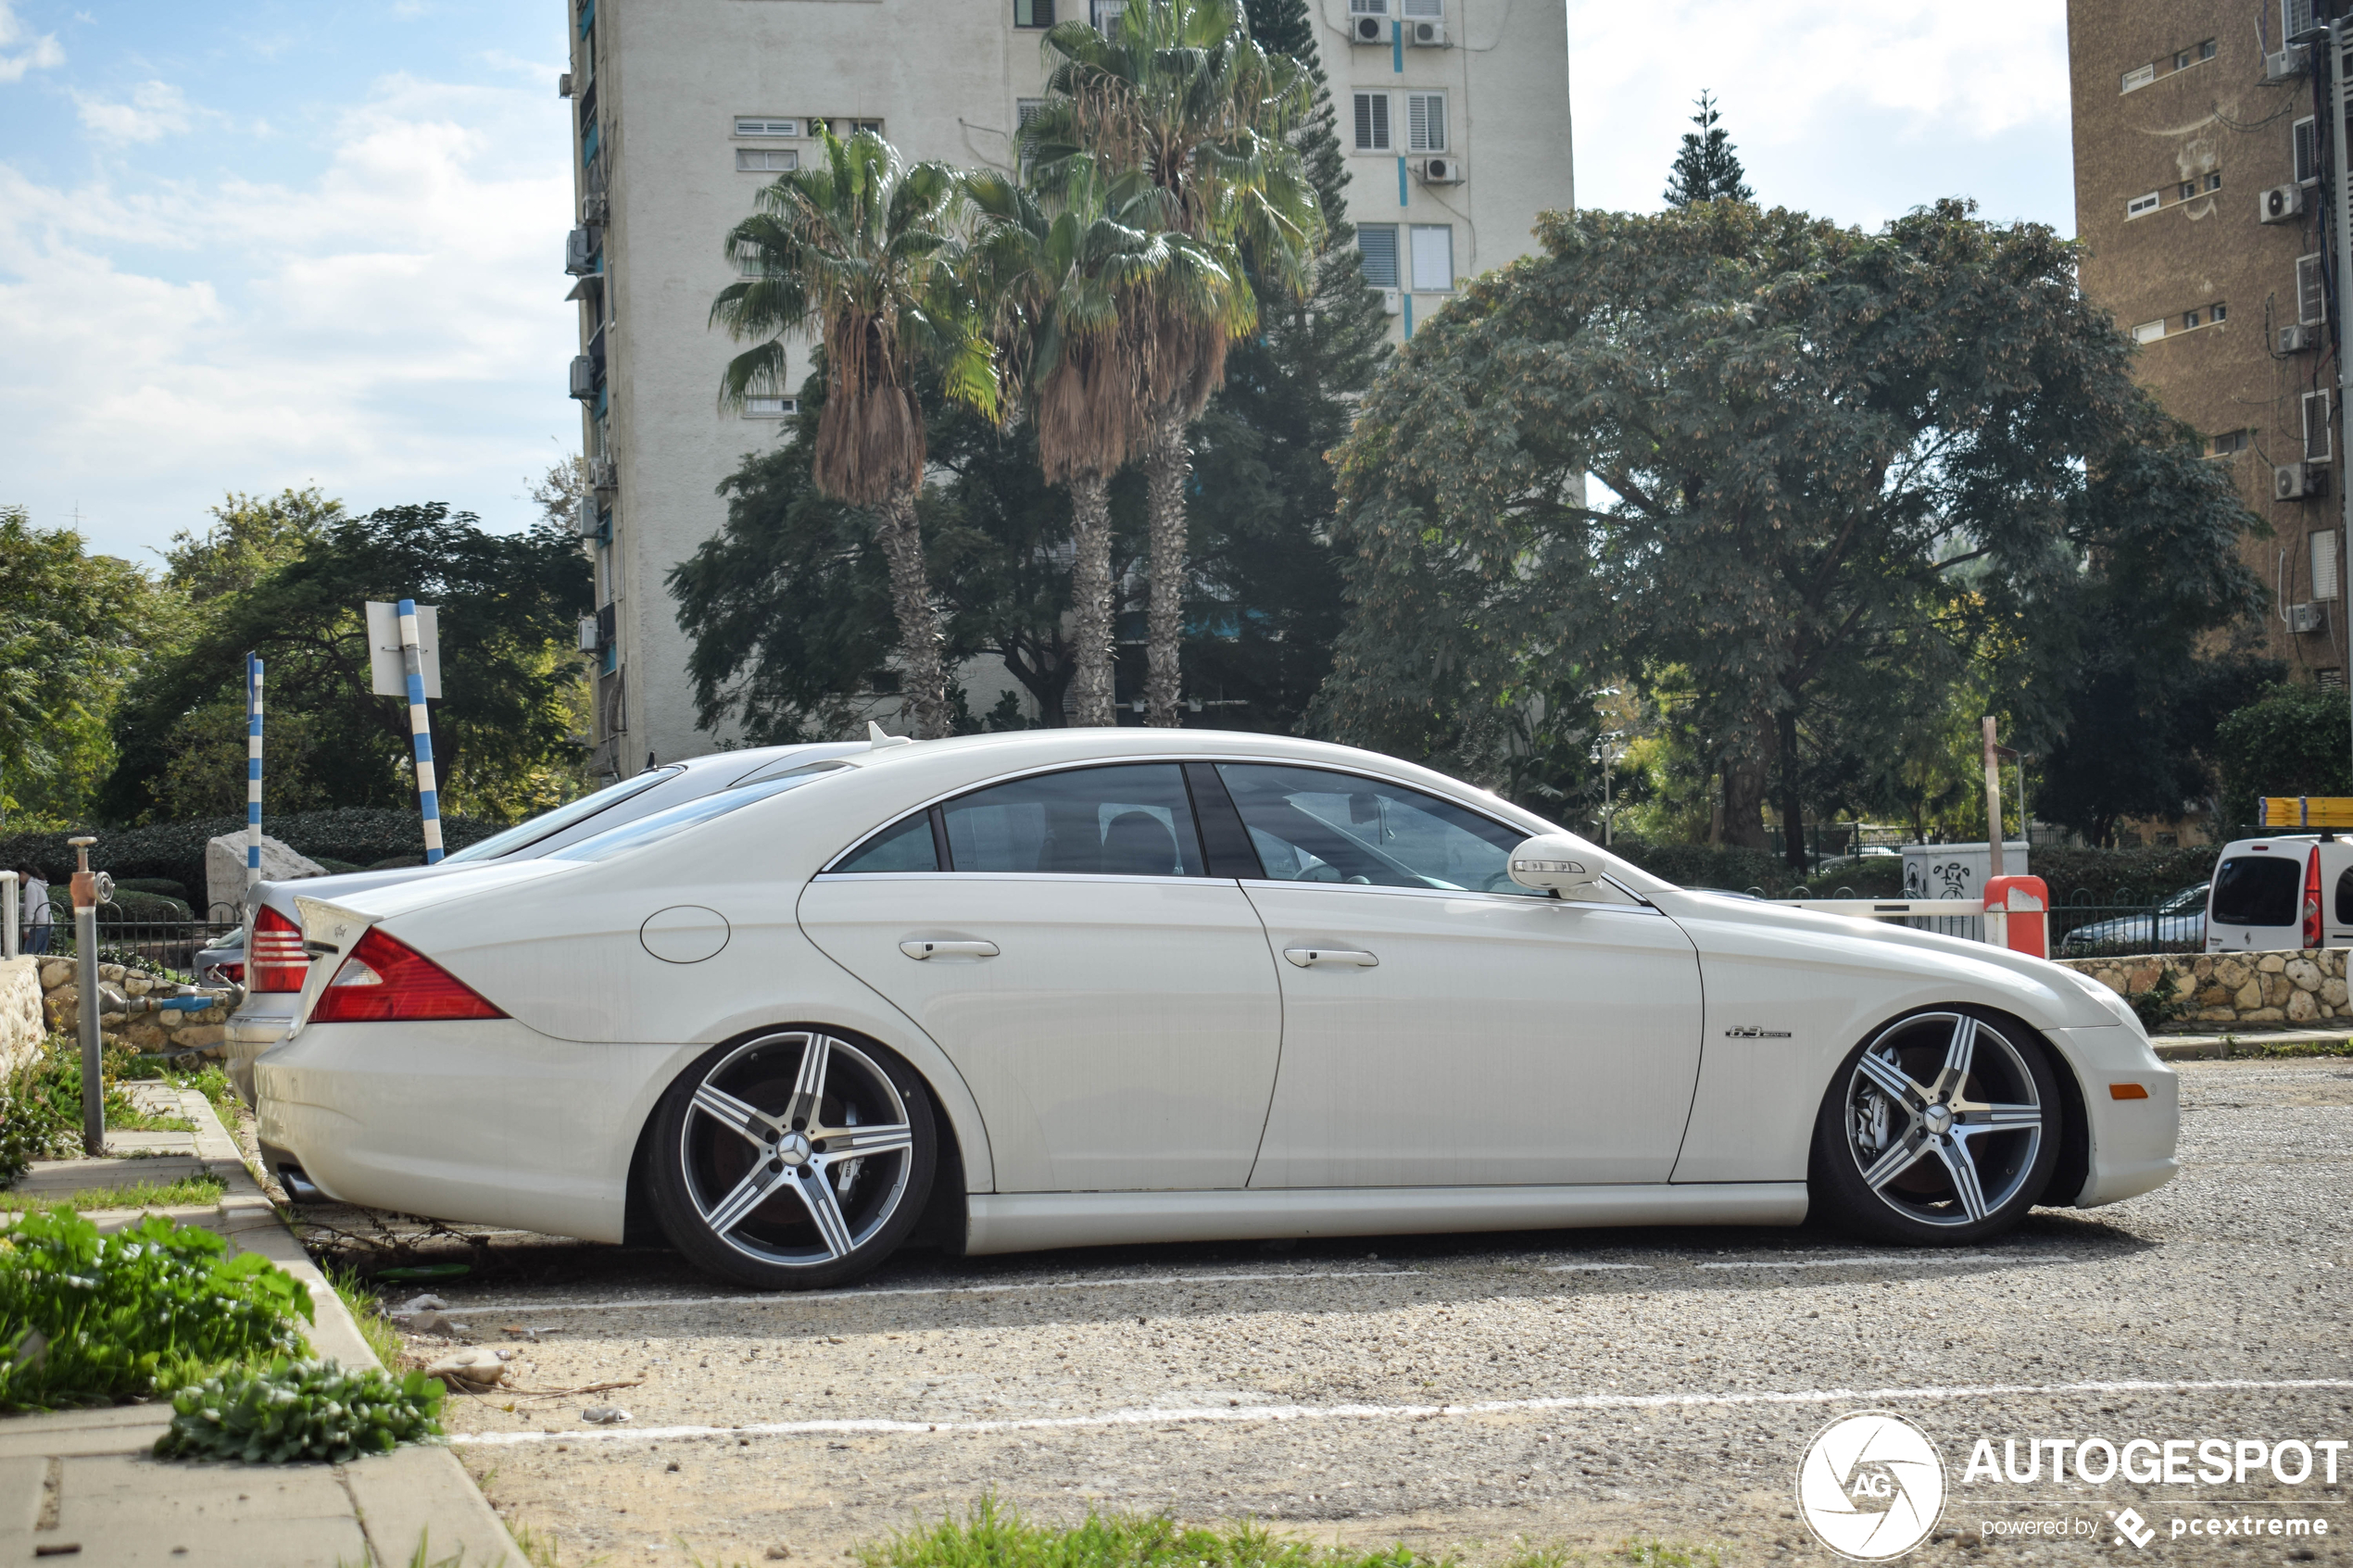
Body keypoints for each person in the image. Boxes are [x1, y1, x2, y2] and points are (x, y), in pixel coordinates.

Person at [19, 866, 52, 955]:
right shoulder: (38, 884)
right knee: (40, 957)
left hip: (39, 925)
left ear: (22, 873)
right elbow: (34, 905)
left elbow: (31, 909)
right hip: (48, 923)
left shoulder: (31, 886)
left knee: (28, 955)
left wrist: (26, 929)